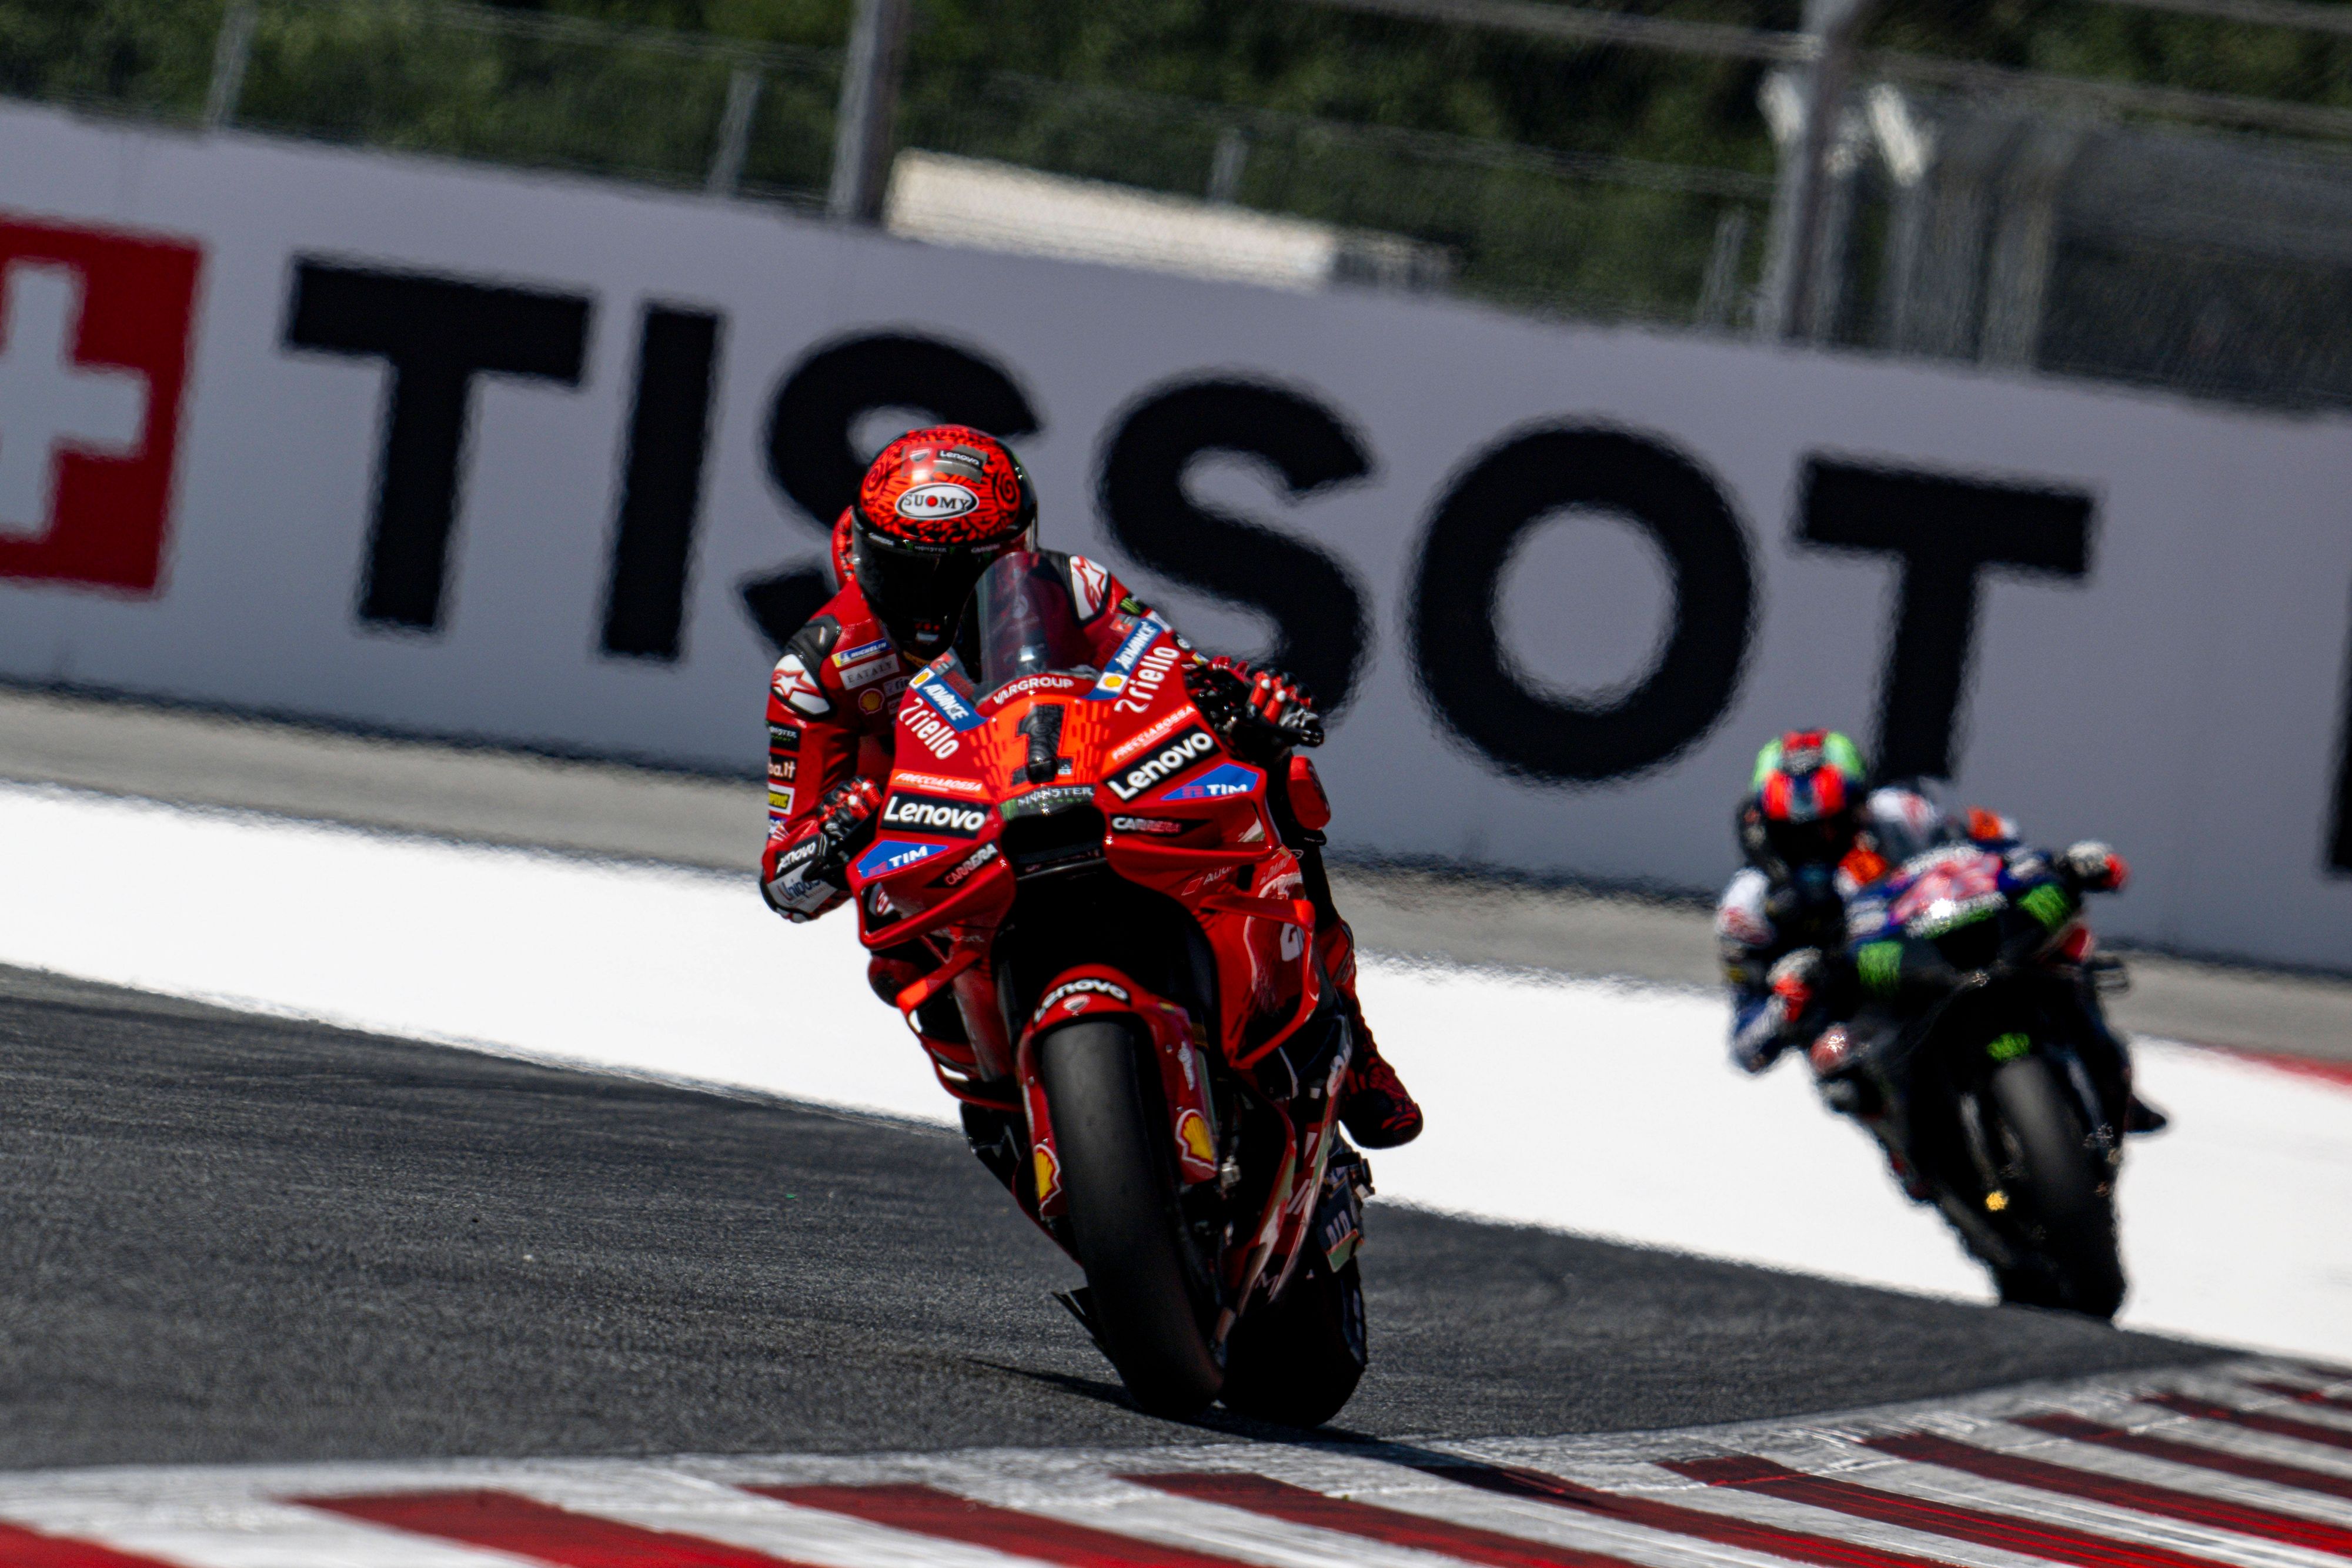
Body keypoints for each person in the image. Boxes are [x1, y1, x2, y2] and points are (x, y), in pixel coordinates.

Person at [756, 424, 1422, 1149]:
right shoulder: (819, 673)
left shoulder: (1073, 589)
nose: (933, 608)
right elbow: (787, 879)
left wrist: (1239, 698)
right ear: (860, 556)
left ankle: (1353, 1043)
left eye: (964, 578)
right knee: (895, 962)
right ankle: (1007, 1116)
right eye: (906, 575)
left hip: (1072, 789)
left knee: (1278, 778)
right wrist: (840, 828)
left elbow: (1172, 672)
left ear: (1016, 553)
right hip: (943, 845)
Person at [1716, 729, 2161, 1179]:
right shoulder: (1747, 905)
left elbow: (1992, 847)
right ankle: (1910, 1151)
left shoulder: (1902, 815)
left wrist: (2061, 862)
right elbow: (1745, 1046)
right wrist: (1787, 1002)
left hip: (1942, 946)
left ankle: (2110, 1079)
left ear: (1862, 804)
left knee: (2068, 950)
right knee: (1833, 1056)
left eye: (1837, 823)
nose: (1822, 842)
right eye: (1801, 835)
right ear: (1765, 825)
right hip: (1860, 1005)